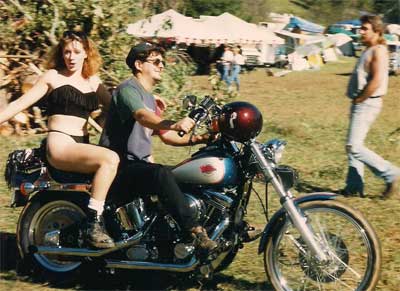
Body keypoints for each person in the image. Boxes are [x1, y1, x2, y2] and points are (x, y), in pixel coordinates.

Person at [0, 31, 119, 248]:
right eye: (66, 52)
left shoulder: (93, 82)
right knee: (109, 159)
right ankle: (92, 224)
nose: (71, 57)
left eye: (76, 51)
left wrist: (148, 103)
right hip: (61, 143)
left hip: (81, 144)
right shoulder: (53, 77)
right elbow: (19, 104)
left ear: (87, 53)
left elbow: (117, 108)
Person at [99, 42, 217, 251]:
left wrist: (204, 138)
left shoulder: (150, 99)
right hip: (121, 166)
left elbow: (168, 136)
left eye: (162, 62)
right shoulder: (127, 90)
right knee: (161, 174)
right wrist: (175, 123)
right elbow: (142, 117)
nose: (161, 66)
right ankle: (194, 231)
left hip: (139, 166)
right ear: (138, 64)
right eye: (156, 61)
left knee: (187, 174)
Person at [343, 15, 400, 198]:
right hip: (361, 101)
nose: (360, 31)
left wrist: (361, 99)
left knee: (354, 146)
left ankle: (391, 174)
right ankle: (354, 187)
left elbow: (376, 81)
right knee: (352, 145)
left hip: (367, 102)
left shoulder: (378, 50)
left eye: (365, 28)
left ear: (377, 30)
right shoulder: (369, 49)